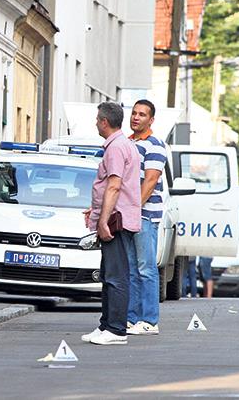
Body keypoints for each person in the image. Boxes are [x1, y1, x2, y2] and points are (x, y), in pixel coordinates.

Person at [82, 102, 141, 345]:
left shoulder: (116, 147)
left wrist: (103, 220)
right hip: (116, 217)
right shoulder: (122, 144)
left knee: (116, 276)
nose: (96, 123)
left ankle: (116, 330)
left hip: (116, 220)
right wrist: (96, 211)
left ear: (105, 122)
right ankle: (106, 325)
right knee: (108, 275)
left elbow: (114, 185)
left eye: (98, 119)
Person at [126, 99, 167, 336]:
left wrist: (134, 209)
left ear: (151, 120)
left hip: (145, 215)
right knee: (131, 269)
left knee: (146, 268)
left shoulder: (155, 145)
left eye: (142, 114)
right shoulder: (129, 142)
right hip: (129, 214)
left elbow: (150, 181)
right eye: (134, 113)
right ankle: (131, 319)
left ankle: (150, 320)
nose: (136, 117)